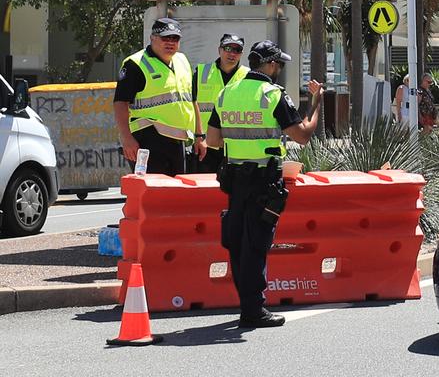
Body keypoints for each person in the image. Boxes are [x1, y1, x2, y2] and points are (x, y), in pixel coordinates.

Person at [206, 40, 323, 329]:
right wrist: (316, 103)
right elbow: (302, 136)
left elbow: (212, 141)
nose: (280, 69)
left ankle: (247, 305)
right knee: (257, 244)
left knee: (236, 242)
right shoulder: (272, 94)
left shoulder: (226, 93)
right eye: (279, 64)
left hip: (234, 181)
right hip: (263, 182)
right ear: (270, 64)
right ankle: (253, 310)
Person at [112, 18, 202, 176]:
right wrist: (126, 138)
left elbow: (192, 100)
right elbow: (120, 103)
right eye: (165, 38)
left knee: (177, 195)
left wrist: (200, 136)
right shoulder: (135, 64)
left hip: (178, 142)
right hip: (147, 141)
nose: (170, 42)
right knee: (151, 194)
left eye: (175, 38)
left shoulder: (182, 61)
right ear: (152, 38)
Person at [191, 34, 249, 174]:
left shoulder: (248, 76)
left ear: (241, 54)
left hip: (236, 146)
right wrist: (198, 137)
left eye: (237, 50)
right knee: (206, 191)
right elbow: (192, 104)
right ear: (219, 50)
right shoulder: (202, 72)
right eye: (228, 48)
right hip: (206, 145)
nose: (232, 53)